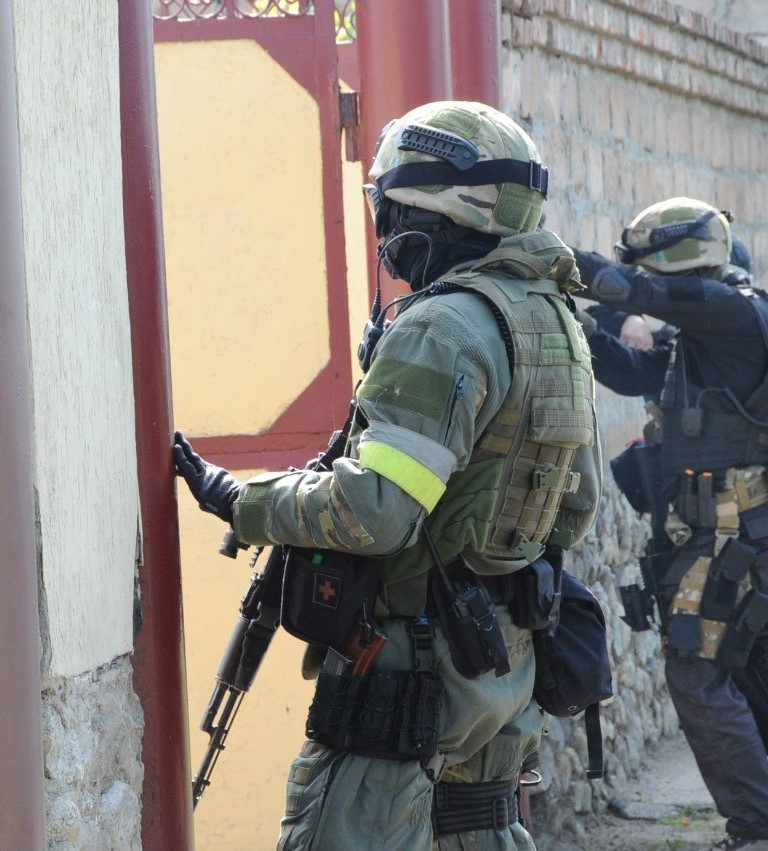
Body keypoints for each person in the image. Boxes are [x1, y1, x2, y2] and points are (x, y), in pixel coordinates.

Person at [173, 100, 602, 851]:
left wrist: (242, 499)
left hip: (408, 675)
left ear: (423, 216)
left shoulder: (442, 327)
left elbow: (374, 511)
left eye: (390, 211)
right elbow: (577, 508)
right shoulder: (552, 321)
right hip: (500, 671)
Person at [582, 237, 768, 832]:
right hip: (760, 535)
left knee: (711, 671)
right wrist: (583, 327)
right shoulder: (713, 346)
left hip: (742, 537)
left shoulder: (741, 322)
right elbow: (629, 368)